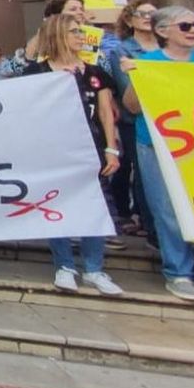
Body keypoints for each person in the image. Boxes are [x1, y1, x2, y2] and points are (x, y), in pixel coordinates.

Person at [20, 15, 126, 295]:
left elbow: (105, 112)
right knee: (57, 206)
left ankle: (94, 268)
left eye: (81, 31)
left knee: (95, 205)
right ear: (57, 35)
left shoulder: (95, 73)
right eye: (74, 31)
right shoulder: (37, 72)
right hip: (53, 151)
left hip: (92, 150)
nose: (81, 36)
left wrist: (111, 148)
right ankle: (64, 265)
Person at [122, 6, 194, 302]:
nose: (193, 31)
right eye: (185, 26)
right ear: (162, 31)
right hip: (157, 146)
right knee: (168, 210)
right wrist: (138, 78)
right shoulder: (147, 63)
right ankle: (178, 272)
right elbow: (132, 107)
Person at [101, 0, 157, 239]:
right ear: (130, 20)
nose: (148, 18)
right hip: (136, 122)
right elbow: (128, 93)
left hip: (170, 121)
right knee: (144, 173)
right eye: (142, 14)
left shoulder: (166, 49)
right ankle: (149, 225)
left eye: (153, 13)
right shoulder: (122, 51)